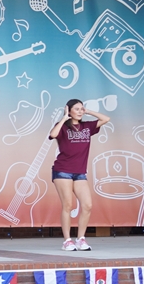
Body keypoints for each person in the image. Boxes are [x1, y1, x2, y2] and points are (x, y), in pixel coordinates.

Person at [48, 99, 111, 251]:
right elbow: (53, 134)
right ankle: (67, 241)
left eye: (82, 108)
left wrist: (88, 111)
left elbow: (106, 119)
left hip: (80, 172)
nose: (80, 111)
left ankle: (81, 239)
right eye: (76, 109)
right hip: (63, 170)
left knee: (87, 205)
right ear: (69, 110)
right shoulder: (62, 126)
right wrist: (64, 117)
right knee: (68, 205)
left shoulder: (87, 126)